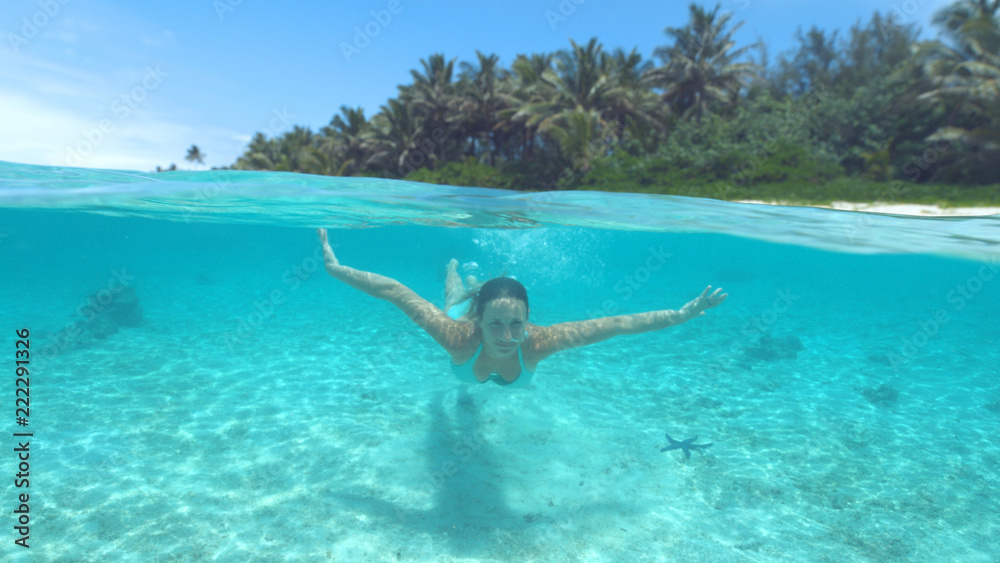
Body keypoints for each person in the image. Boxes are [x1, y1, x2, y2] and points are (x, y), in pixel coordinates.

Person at [317, 228, 727, 387]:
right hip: (466, 315)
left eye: (517, 323)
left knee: (475, 301)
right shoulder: (459, 336)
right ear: (482, 320)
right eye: (496, 324)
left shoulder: (538, 342)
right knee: (448, 303)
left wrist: (679, 314)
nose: (509, 337)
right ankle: (455, 269)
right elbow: (396, 291)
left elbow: (616, 324)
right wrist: (336, 268)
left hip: (480, 311)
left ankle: (478, 285)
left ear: (529, 320)